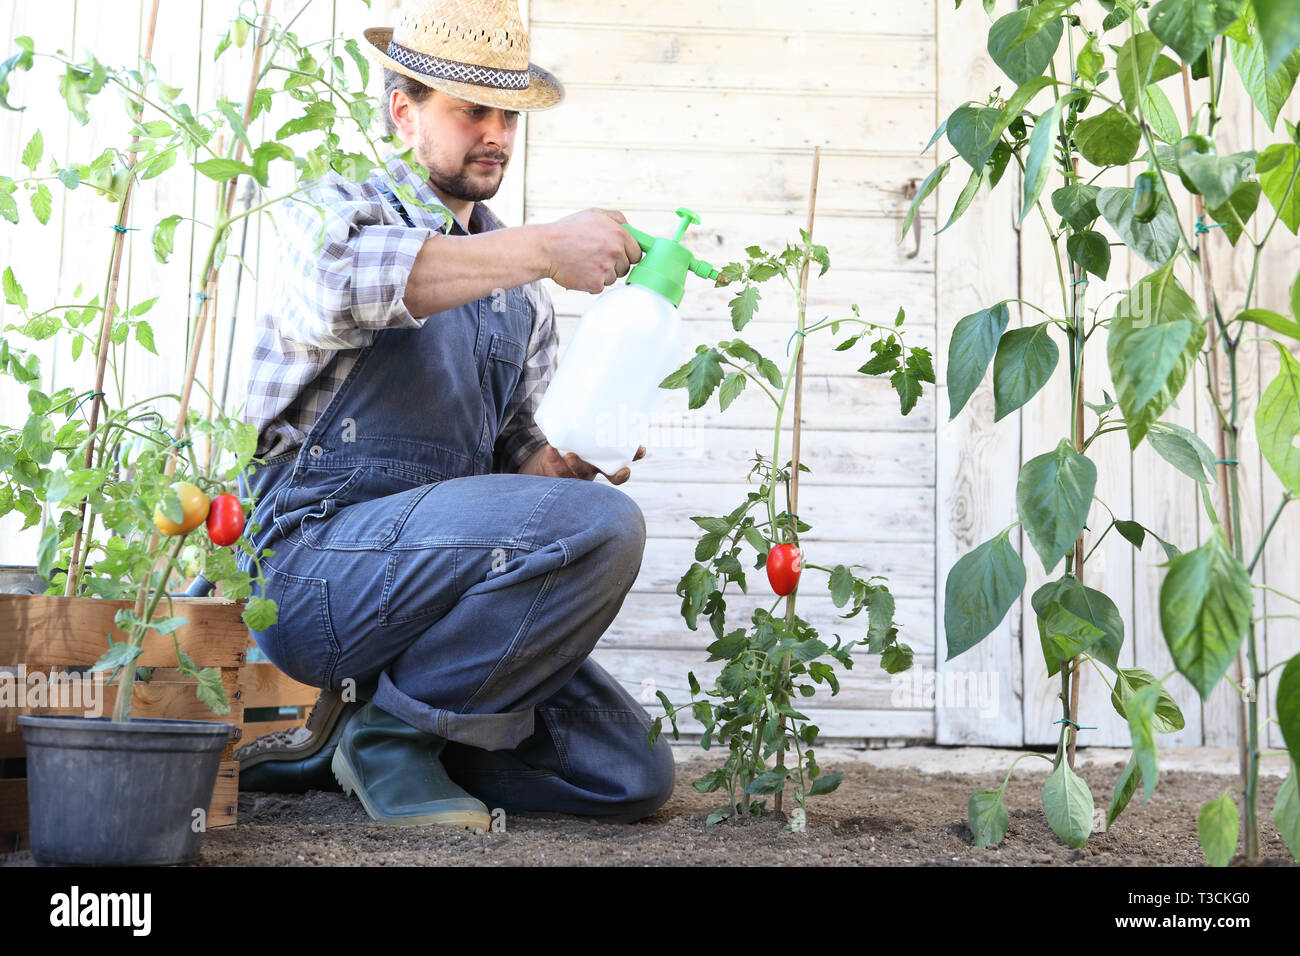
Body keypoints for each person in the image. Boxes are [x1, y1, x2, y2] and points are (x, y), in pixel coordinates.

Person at [232, 0, 676, 829]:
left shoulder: (523, 303)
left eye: (507, 114)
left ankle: (367, 734)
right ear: (403, 111)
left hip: (436, 593)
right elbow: (342, 287)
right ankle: (389, 740)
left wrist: (570, 458)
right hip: (315, 572)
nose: (496, 134)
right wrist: (546, 245)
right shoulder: (330, 212)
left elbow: (519, 481)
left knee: (625, 772)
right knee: (608, 525)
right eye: (472, 110)